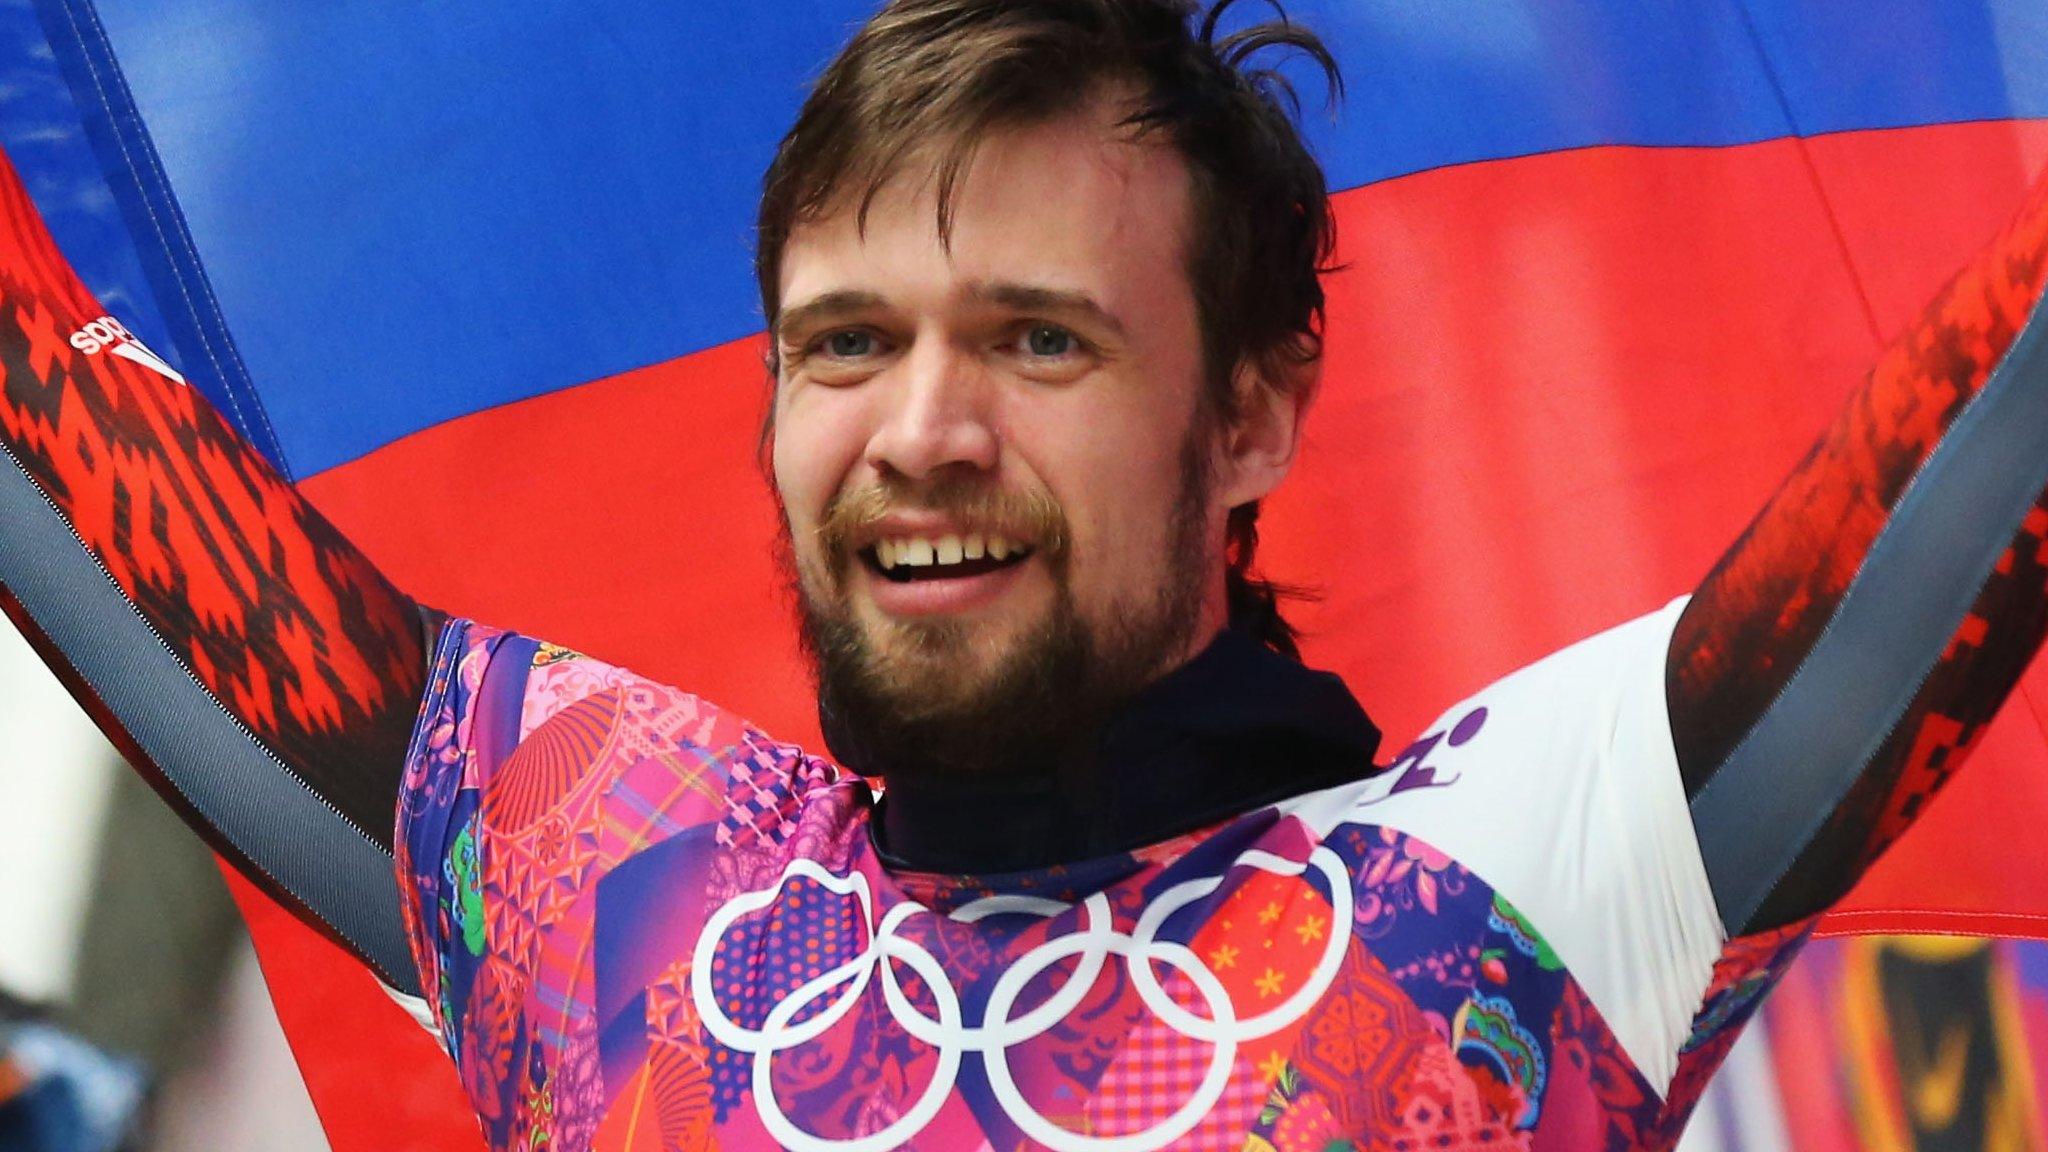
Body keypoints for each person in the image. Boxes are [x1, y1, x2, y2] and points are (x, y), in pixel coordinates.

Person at [2, 0, 2045, 1147]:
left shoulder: (1502, 880)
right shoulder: (598, 876)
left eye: (1038, 338)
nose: (922, 430)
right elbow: (59, 445)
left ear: (1251, 417)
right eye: (845, 343)